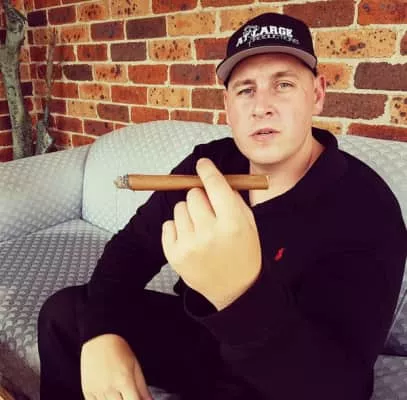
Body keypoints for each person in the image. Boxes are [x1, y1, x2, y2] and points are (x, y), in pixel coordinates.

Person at [38, 12, 407, 400]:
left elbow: (341, 386)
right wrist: (101, 334)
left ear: (316, 94)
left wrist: (239, 292)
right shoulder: (209, 166)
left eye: (283, 84)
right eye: (246, 90)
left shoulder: (367, 207)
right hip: (200, 342)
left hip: (287, 377)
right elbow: (130, 250)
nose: (262, 106)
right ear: (228, 106)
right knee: (66, 315)